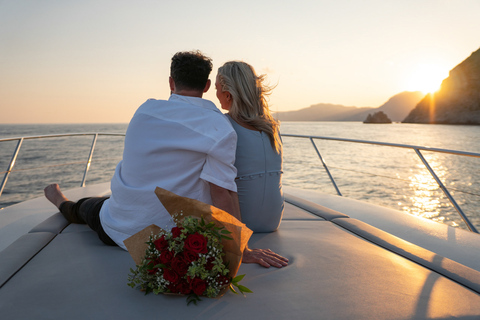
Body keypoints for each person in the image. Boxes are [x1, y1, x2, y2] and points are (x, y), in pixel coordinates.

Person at [44, 51, 288, 268]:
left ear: (171, 82)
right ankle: (66, 200)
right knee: (101, 204)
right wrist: (241, 250)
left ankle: (60, 200)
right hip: (176, 239)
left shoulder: (144, 110)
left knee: (86, 207)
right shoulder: (220, 127)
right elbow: (222, 192)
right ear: (206, 86)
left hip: (117, 226)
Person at [215, 61, 284, 232]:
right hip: (272, 222)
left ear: (228, 95)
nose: (215, 94)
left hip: (244, 224)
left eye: (216, 88)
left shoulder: (224, 124)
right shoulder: (272, 127)